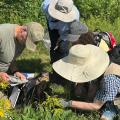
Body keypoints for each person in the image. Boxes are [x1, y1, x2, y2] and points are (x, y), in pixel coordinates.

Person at [53, 44, 120, 120]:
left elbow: (96, 106)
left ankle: (110, 110)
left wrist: (69, 103)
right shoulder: (97, 64)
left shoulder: (109, 80)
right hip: (104, 88)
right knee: (79, 92)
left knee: (105, 117)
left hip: (115, 99)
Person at [0, 22, 44, 98]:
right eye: (26, 41)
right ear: (23, 30)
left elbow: (11, 59)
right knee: (4, 104)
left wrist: (16, 72)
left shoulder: (21, 39)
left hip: (5, 75)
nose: (25, 44)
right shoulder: (2, 33)